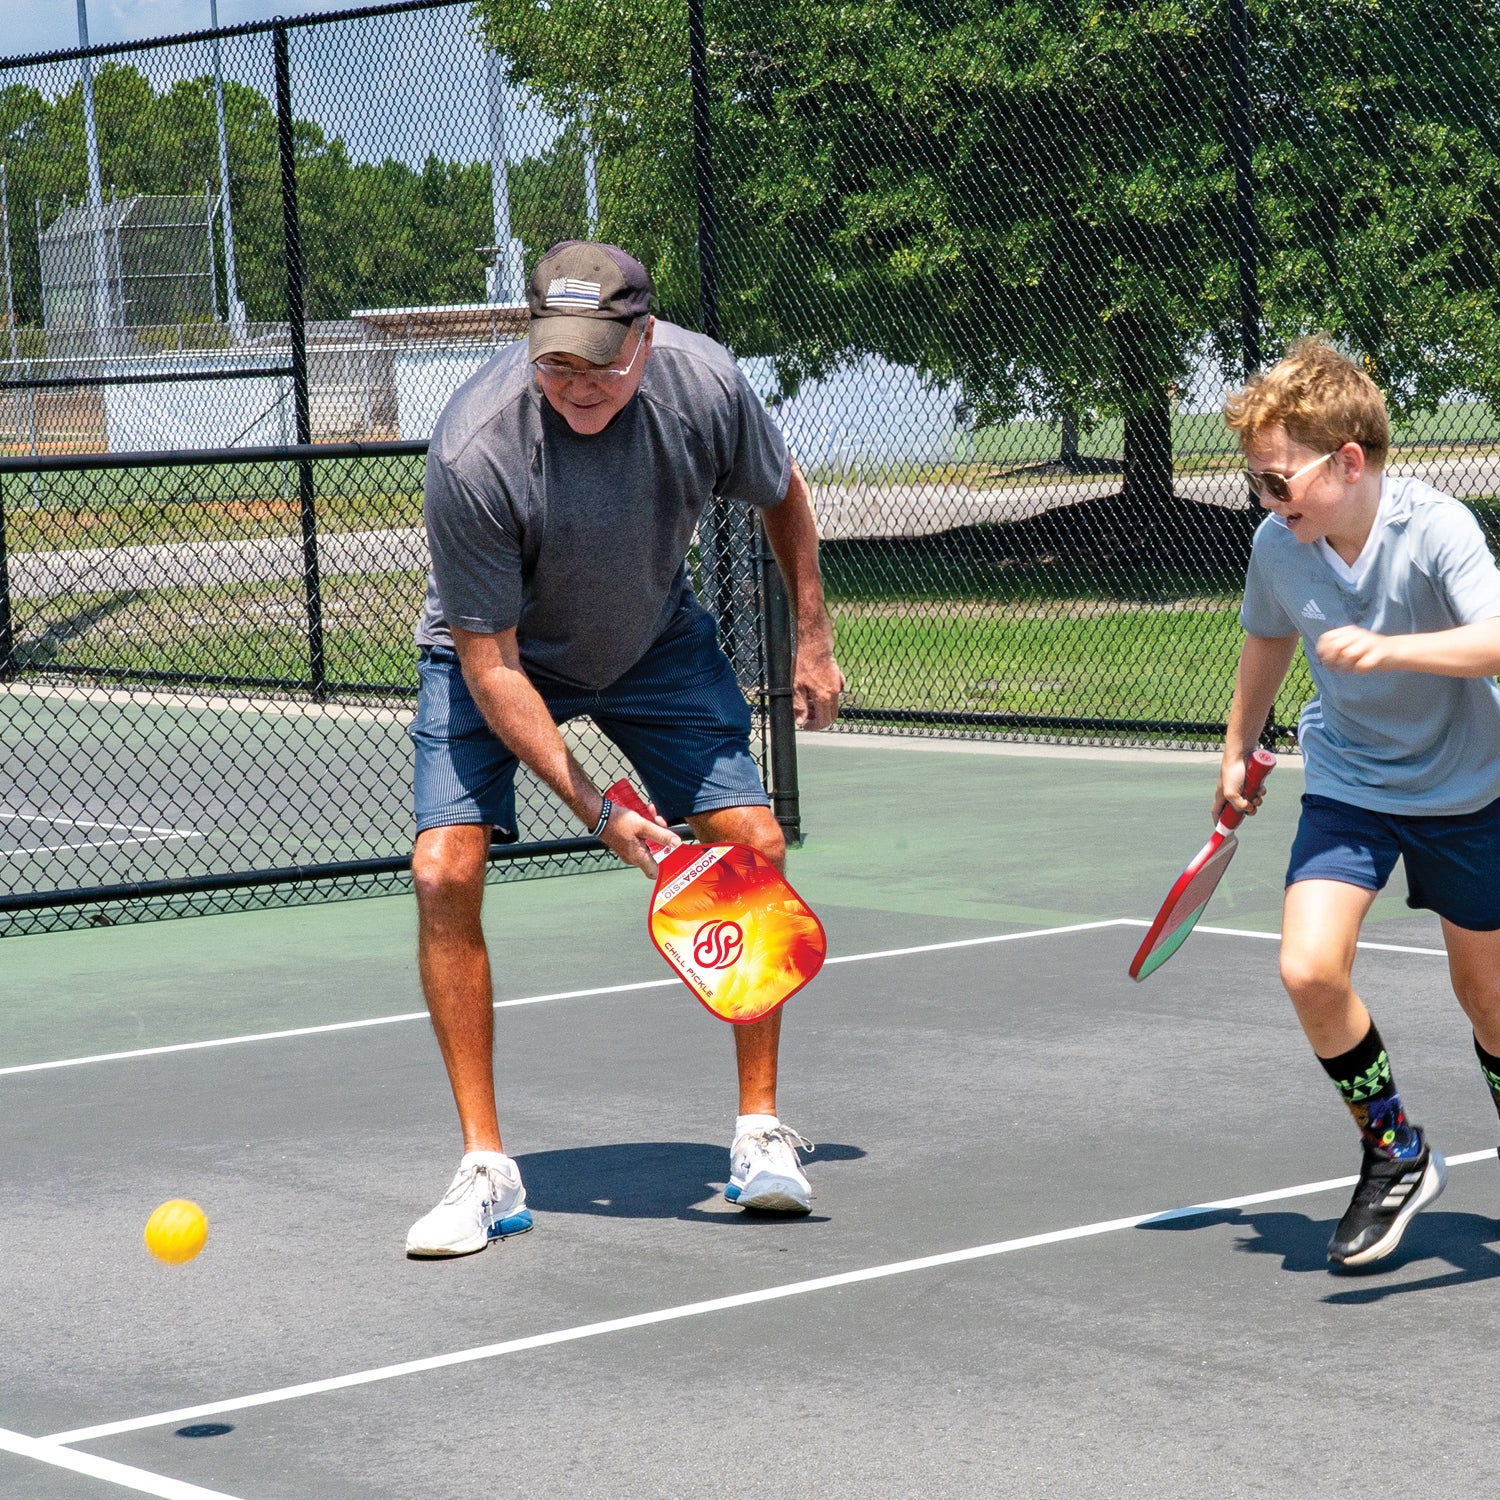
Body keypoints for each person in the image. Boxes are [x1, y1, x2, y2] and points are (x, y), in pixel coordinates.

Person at [403, 240, 845, 1257]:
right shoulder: (476, 448)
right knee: (442, 870)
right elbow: (493, 665)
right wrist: (596, 807)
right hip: (500, 655)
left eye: (600, 361)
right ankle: (484, 1166)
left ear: (644, 340)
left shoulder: (705, 386)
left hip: (653, 638)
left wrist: (813, 638)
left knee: (755, 846)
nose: (577, 385)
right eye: (556, 363)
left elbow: (785, 494)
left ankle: (761, 1132)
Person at [1218, 337, 1500, 1270]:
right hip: (1350, 781)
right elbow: (1267, 640)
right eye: (1256, 482)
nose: (1265, 499)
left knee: (1487, 999)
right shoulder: (1279, 545)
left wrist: (1391, 651)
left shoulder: (1439, 530)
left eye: (1276, 480)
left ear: (1346, 462)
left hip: (1471, 786)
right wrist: (1237, 747)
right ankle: (1395, 1153)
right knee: (1308, 969)